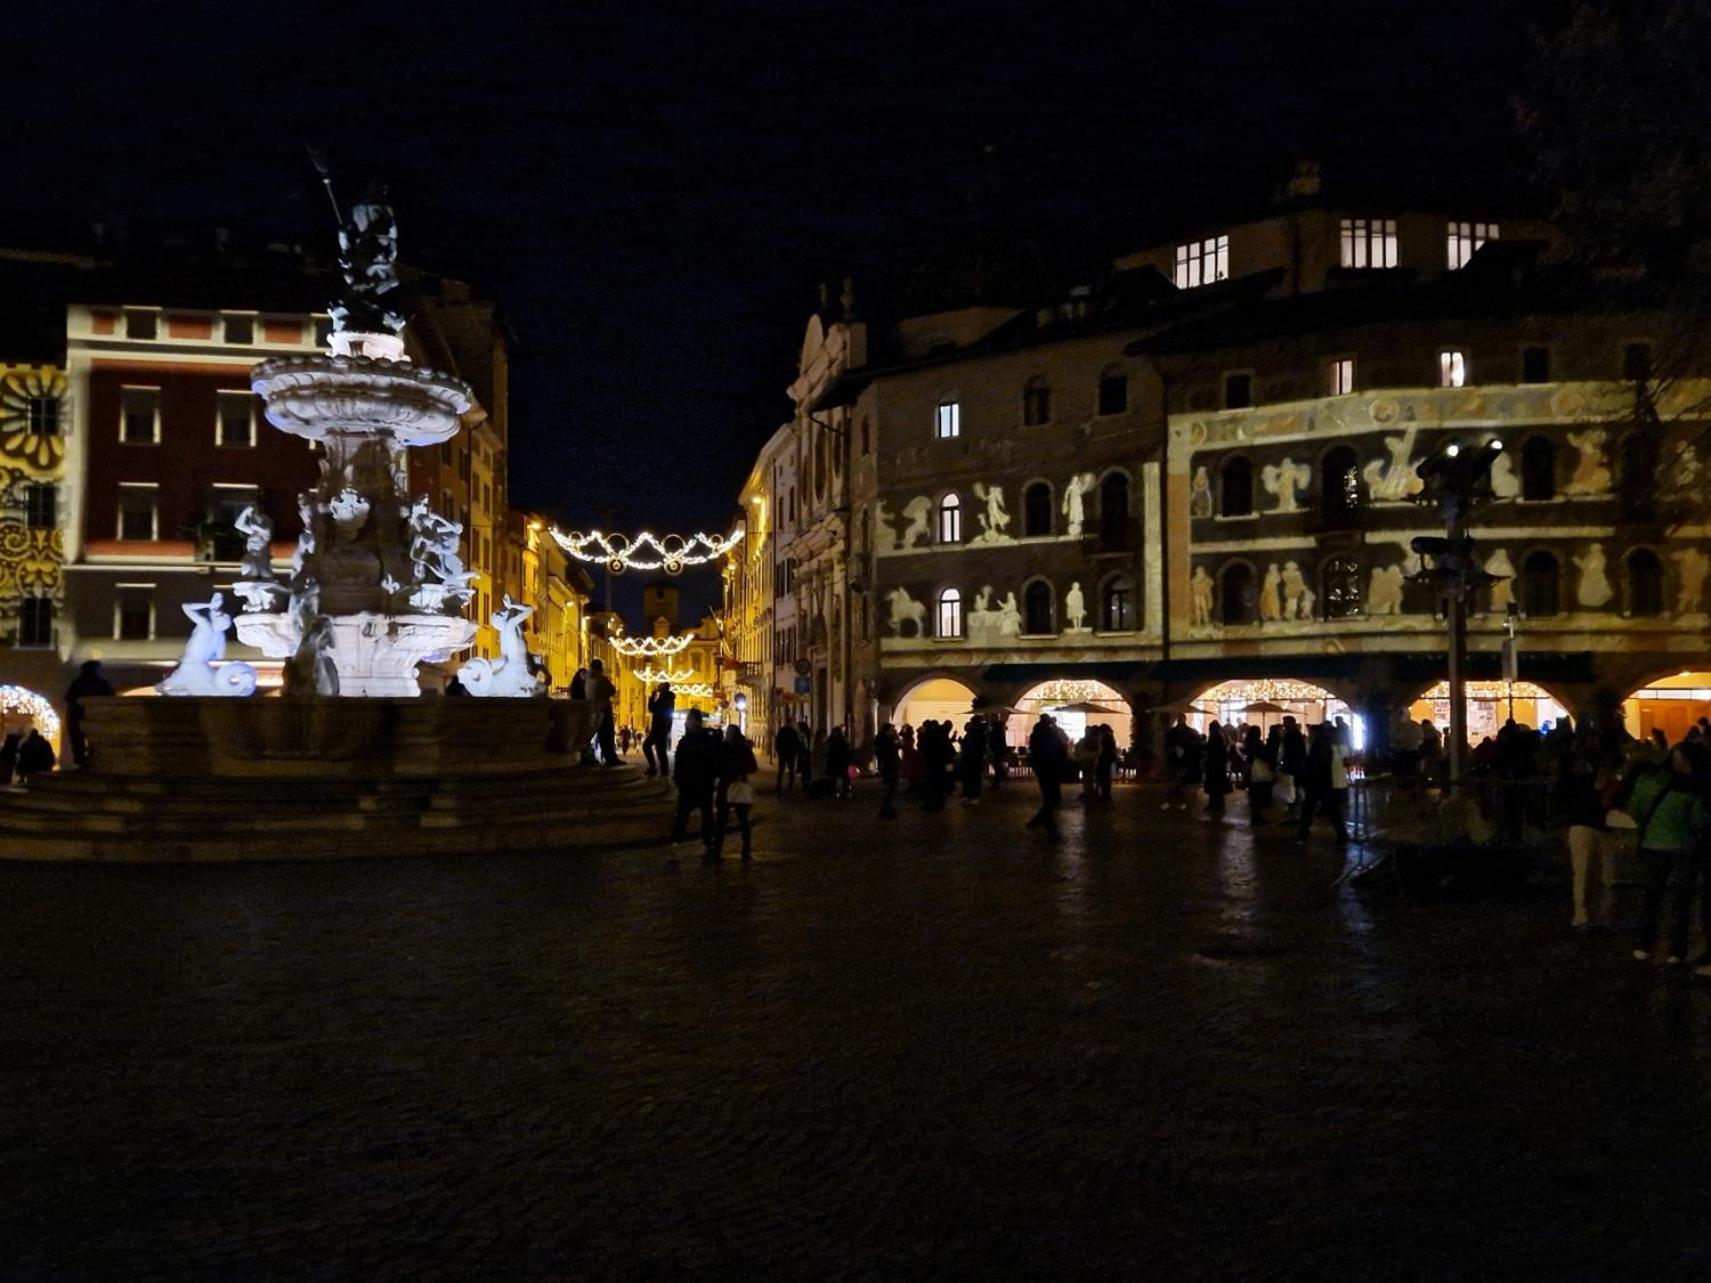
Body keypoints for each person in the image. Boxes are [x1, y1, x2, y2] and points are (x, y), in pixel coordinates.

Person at [1629, 744, 1710, 966]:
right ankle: (1677, 949)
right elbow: (1697, 821)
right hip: (1682, 848)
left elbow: (1636, 807)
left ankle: (1644, 944)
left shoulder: (1649, 783)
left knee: (1651, 897)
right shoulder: (1693, 789)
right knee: (1680, 900)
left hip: (1653, 846)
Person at [1560, 748, 1618, 928]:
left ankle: (1585, 914)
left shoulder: (1575, 781)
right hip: (1597, 826)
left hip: (1583, 825)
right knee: (1600, 873)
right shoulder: (1600, 783)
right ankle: (1596, 914)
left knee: (1584, 873)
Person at [670, 709, 721, 853]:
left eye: (691, 720)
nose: (690, 723)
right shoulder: (694, 740)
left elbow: (712, 759)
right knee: (688, 814)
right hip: (694, 783)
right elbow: (679, 762)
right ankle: (679, 840)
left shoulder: (697, 740)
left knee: (697, 814)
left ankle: (700, 841)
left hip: (698, 783)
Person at [714, 724, 759, 861]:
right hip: (734, 787)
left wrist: (730, 771)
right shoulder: (739, 748)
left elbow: (716, 767)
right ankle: (745, 851)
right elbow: (752, 767)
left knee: (726, 821)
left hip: (730, 787)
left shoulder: (724, 748)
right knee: (740, 821)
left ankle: (719, 850)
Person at [1295, 724, 1346, 844]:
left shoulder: (1319, 746)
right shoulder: (1328, 745)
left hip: (1317, 782)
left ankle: (1303, 834)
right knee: (1332, 810)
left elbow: (1315, 764)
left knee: (1310, 809)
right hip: (1324, 782)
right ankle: (1341, 834)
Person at [65, 659, 113, 769]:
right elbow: (110, 696)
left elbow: (68, 697)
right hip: (91, 715)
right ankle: (90, 760)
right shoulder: (101, 683)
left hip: (81, 715)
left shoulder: (78, 683)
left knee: (79, 741)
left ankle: (82, 761)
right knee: (91, 740)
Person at [1026, 713, 1068, 838]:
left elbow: (1034, 752)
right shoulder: (1052, 734)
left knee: (1049, 797)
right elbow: (1061, 749)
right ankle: (1045, 824)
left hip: (1042, 769)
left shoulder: (1035, 734)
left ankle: (1041, 822)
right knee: (1052, 798)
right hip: (1052, 768)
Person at [1162, 714, 1197, 811]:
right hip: (1176, 760)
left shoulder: (1185, 732)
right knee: (1176, 781)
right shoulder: (1178, 732)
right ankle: (1175, 802)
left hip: (1182, 760)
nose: (1180, 720)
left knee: (1179, 782)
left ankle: (1176, 802)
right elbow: (1167, 744)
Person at [588, 659, 619, 765]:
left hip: (593, 711)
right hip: (604, 710)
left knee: (601, 736)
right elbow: (612, 690)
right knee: (607, 736)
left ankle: (606, 757)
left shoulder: (588, 680)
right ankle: (611, 759)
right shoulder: (601, 679)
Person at [643, 682, 676, 779]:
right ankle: (662, 772)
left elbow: (652, 708)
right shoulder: (667, 698)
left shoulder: (664, 699)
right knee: (660, 751)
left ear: (664, 688)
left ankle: (655, 769)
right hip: (662, 728)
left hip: (659, 728)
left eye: (660, 686)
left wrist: (652, 696)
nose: (658, 687)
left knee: (647, 746)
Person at [1245, 724, 1275, 823]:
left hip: (1253, 769)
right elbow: (1263, 755)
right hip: (1258, 770)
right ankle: (1256, 817)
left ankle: (1256, 816)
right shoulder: (1257, 743)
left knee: (1254, 794)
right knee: (1258, 794)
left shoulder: (1249, 742)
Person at [1279, 717, 1307, 816]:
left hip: (1294, 765)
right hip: (1296, 765)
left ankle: (1295, 811)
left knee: (1294, 788)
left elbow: (1290, 752)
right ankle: (1295, 810)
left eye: (1285, 722)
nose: (1284, 724)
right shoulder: (1295, 734)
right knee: (1295, 787)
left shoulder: (1292, 735)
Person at [1203, 721, 1231, 819]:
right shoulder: (1220, 736)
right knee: (1217, 787)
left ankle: (1215, 805)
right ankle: (1216, 804)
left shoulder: (1215, 738)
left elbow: (1213, 750)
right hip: (1217, 765)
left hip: (1214, 765)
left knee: (1214, 786)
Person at [875, 722, 901, 819]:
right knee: (890, 789)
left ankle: (887, 809)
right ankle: (887, 809)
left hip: (889, 765)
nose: (893, 732)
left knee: (890, 789)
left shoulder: (883, 739)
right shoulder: (886, 740)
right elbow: (894, 749)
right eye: (891, 730)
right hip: (890, 766)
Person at [959, 715, 987, 803]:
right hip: (971, 757)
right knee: (970, 777)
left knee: (973, 777)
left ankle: (973, 795)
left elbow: (979, 746)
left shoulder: (978, 733)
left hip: (974, 758)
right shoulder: (975, 732)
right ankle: (969, 794)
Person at [774, 721, 800, 793]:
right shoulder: (793, 732)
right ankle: (790, 785)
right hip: (790, 754)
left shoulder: (782, 731)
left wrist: (779, 751)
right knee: (790, 770)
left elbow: (777, 742)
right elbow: (797, 742)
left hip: (784, 753)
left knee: (781, 770)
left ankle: (779, 784)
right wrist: (796, 751)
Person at [826, 725, 852, 799]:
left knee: (843, 776)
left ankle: (846, 791)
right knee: (834, 777)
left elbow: (847, 751)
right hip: (834, 760)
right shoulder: (831, 741)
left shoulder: (842, 741)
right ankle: (835, 792)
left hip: (841, 760)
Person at [1096, 724, 1118, 801]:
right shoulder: (1110, 736)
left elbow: (1104, 749)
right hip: (1107, 759)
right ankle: (1106, 794)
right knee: (1105, 777)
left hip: (1104, 759)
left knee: (1104, 777)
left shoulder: (1106, 738)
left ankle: (1105, 794)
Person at [796, 720, 814, 793]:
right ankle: (808, 783)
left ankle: (806, 784)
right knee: (807, 770)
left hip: (804, 754)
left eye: (798, 726)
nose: (797, 728)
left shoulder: (802, 735)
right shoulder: (809, 733)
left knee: (804, 770)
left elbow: (805, 745)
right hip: (808, 753)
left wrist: (804, 753)